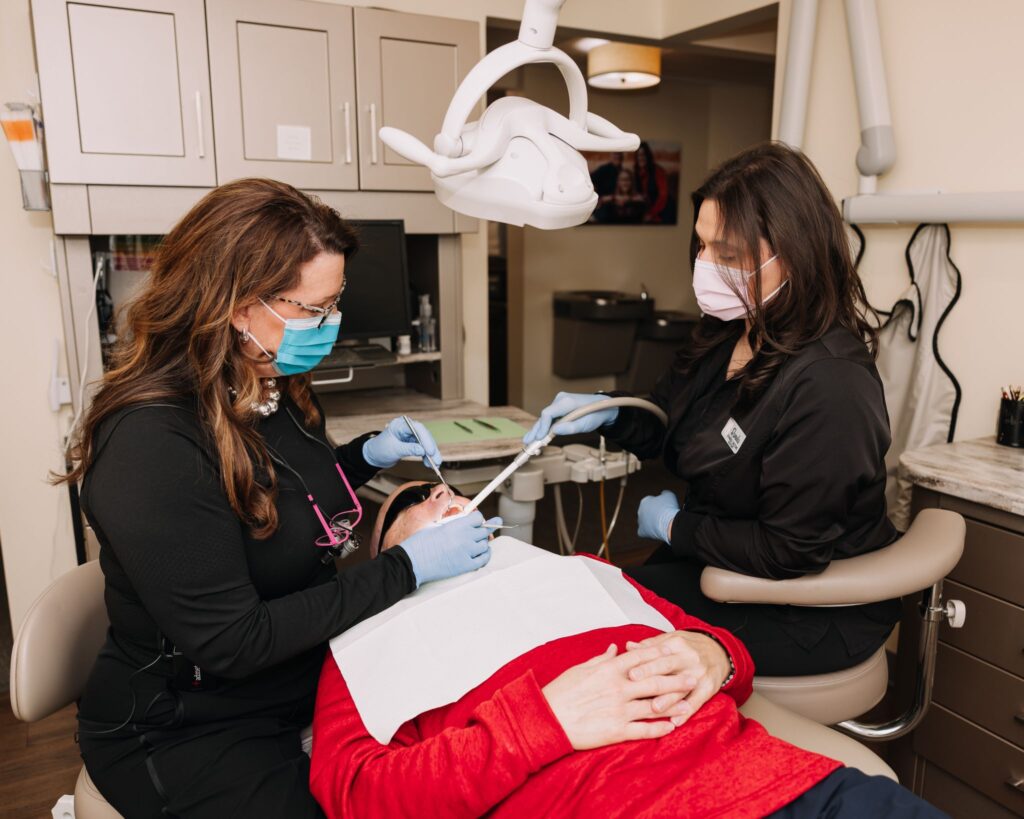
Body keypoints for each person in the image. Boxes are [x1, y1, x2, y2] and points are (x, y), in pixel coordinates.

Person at [58, 179, 498, 818]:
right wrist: (407, 566)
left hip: (294, 678)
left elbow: (277, 501)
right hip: (185, 724)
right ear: (236, 305)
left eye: (335, 301)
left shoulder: (270, 381)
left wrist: (363, 456)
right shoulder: (151, 444)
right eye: (312, 309)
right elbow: (234, 640)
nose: (330, 324)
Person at [309, 481, 946, 819]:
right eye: (413, 502)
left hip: (781, 785)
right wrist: (542, 722)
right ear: (384, 556)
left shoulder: (576, 569)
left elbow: (728, 655)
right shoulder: (368, 642)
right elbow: (358, 794)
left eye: (444, 488)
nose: (442, 496)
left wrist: (714, 654)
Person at [525, 143, 900, 676]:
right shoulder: (729, 333)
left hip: (805, 609)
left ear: (793, 254)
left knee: (599, 650)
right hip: (716, 562)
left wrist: (677, 528)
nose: (705, 267)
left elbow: (788, 550)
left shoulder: (830, 384)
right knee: (579, 603)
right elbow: (668, 418)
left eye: (727, 254)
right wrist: (611, 411)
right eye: (701, 247)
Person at [635, 140, 674, 224]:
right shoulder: (636, 172)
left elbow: (663, 196)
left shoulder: (658, 171)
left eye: (643, 155)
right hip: (646, 211)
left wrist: (651, 214)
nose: (641, 158)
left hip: (663, 211)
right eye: (638, 155)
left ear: (648, 156)